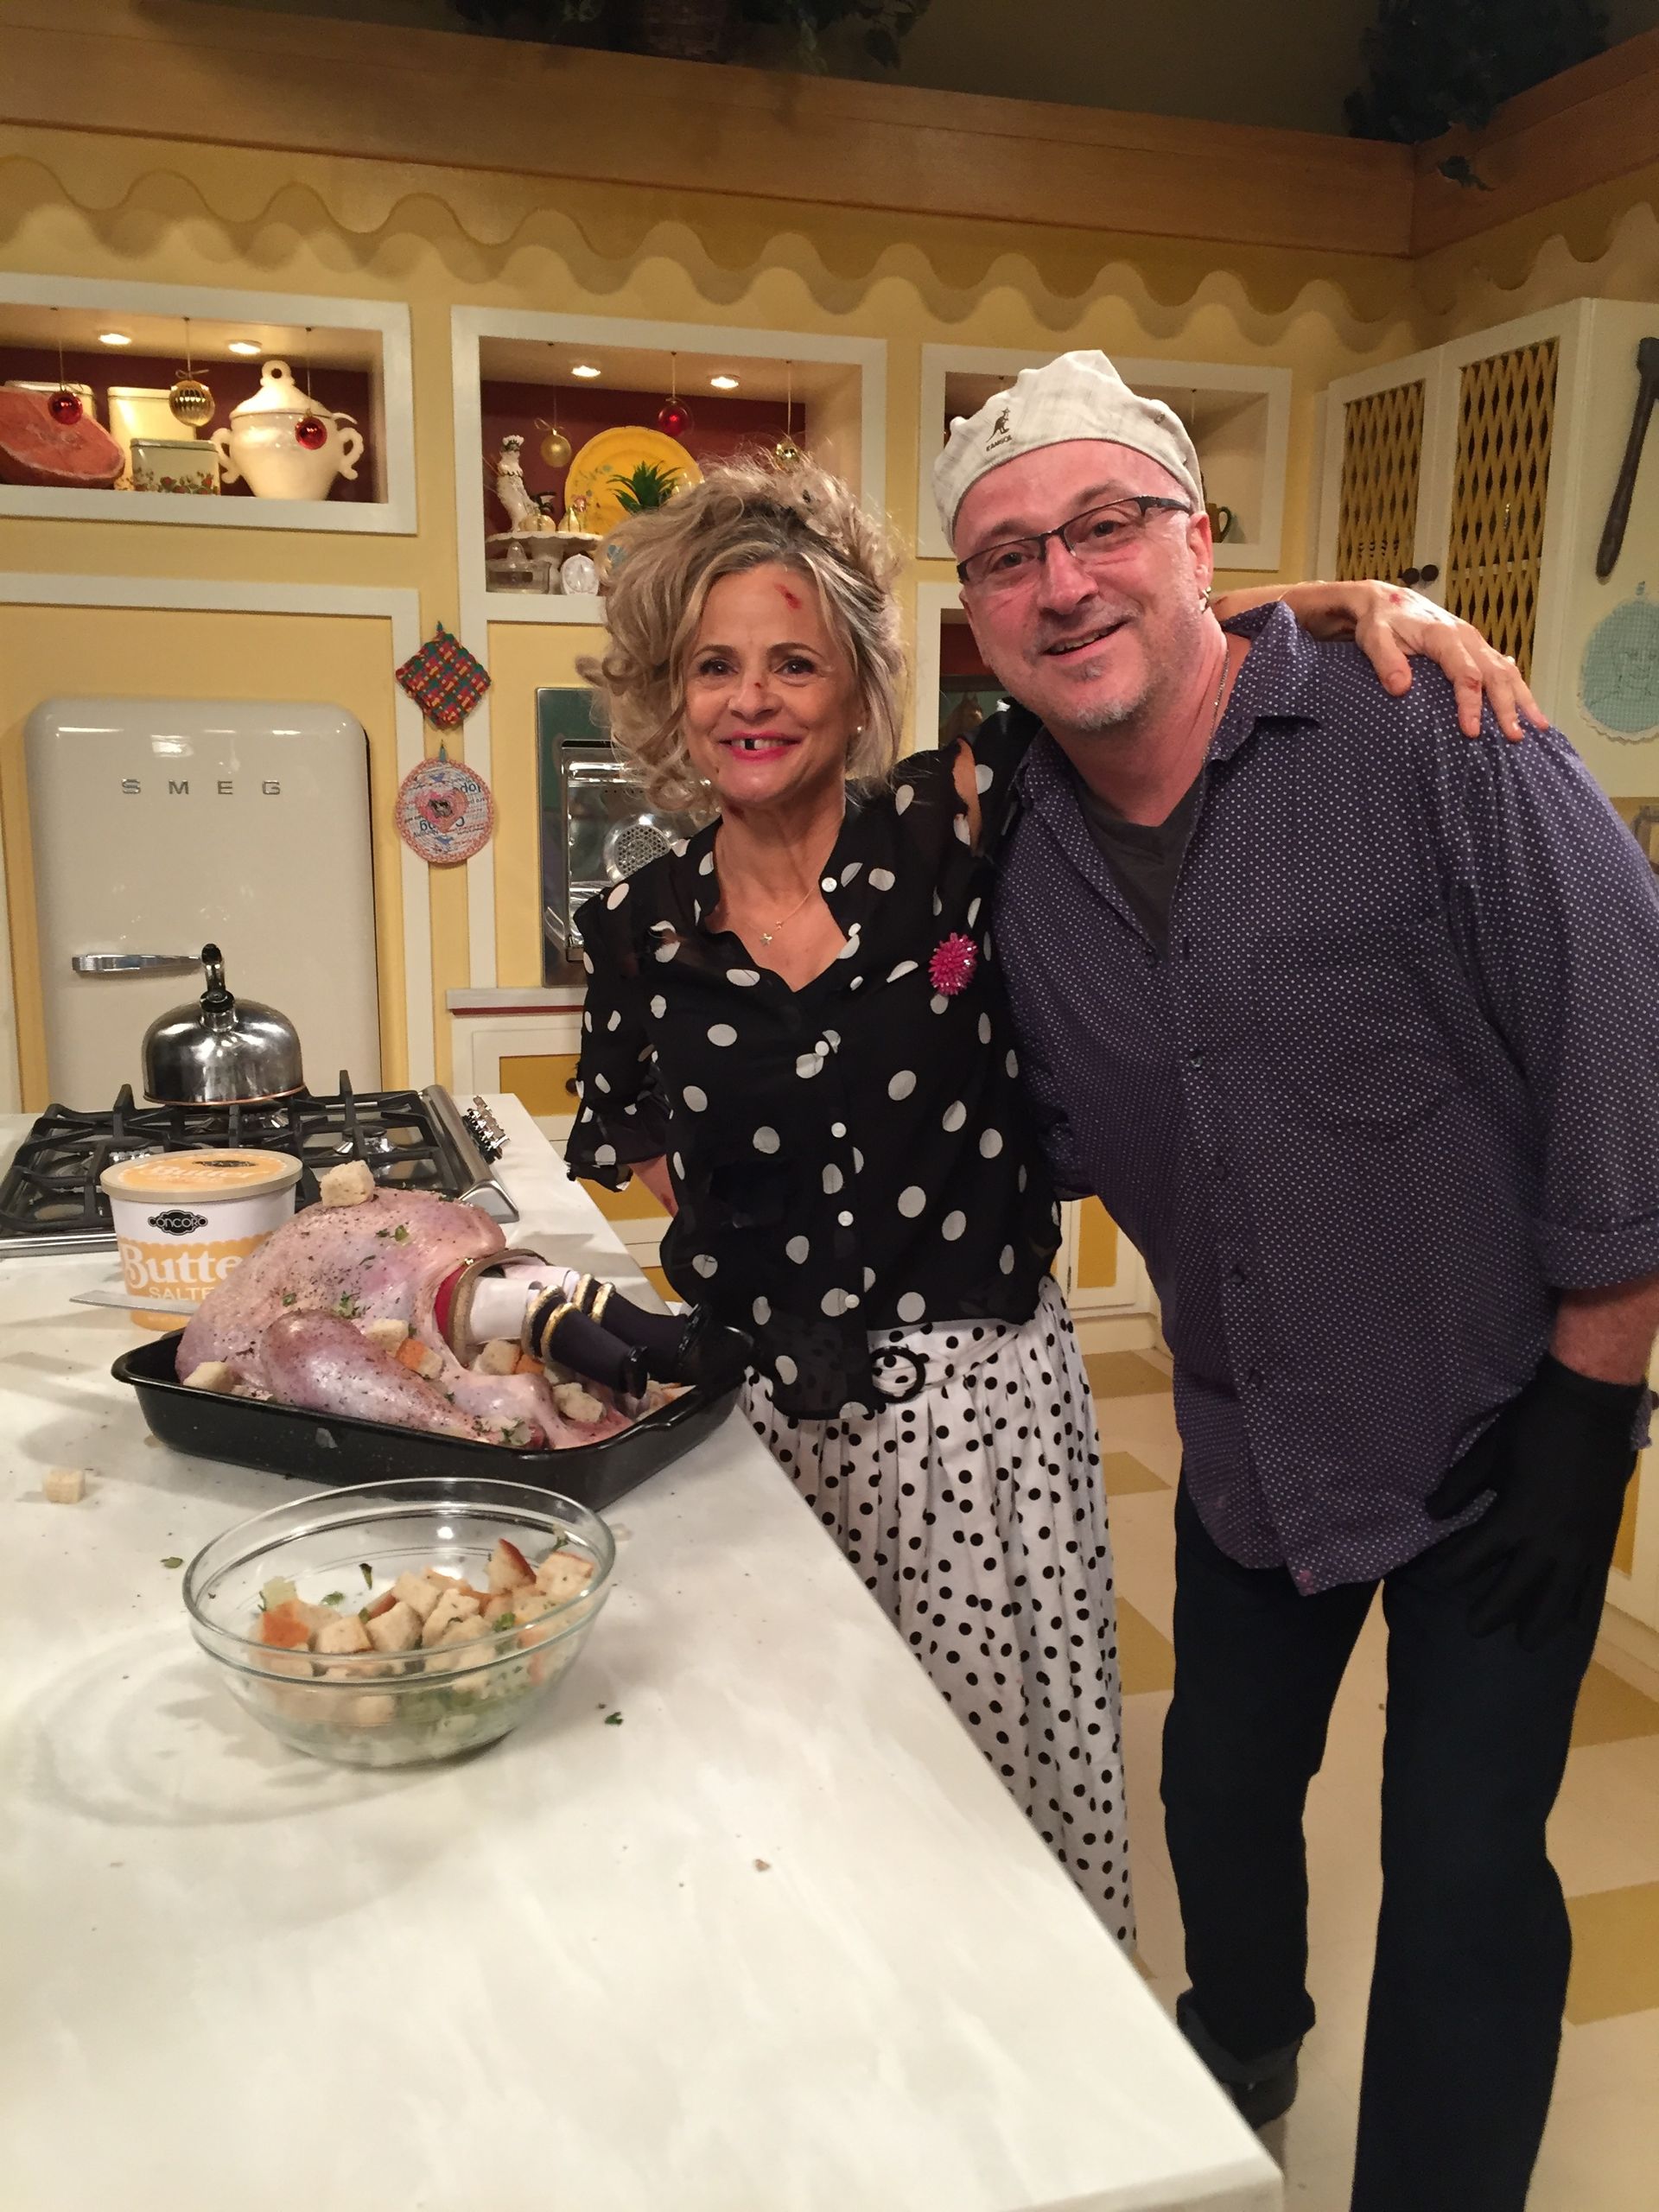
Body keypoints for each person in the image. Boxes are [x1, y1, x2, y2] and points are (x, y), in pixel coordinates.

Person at [565, 455, 1529, 1948]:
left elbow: (1119, 652)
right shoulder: (637, 930)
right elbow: (661, 1159)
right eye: (714, 666)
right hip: (764, 1436)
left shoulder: (952, 821)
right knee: (788, 1808)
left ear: (856, 684)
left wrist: (1345, 603)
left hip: (982, 1428)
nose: (753, 700)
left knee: (993, 1812)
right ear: (667, 692)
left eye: (795, 662)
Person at [935, 351, 1659, 2211]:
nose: (1063, 581)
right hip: (1257, 1431)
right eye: (1011, 556)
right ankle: (1243, 2042)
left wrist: (1593, 1404)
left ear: (1198, 541)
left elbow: (1626, 1043)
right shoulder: (1009, 840)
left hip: (1502, 1429)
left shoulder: (1432, 730)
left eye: (1105, 526)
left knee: (1465, 1865)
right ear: (975, 614)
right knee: (1222, 1790)